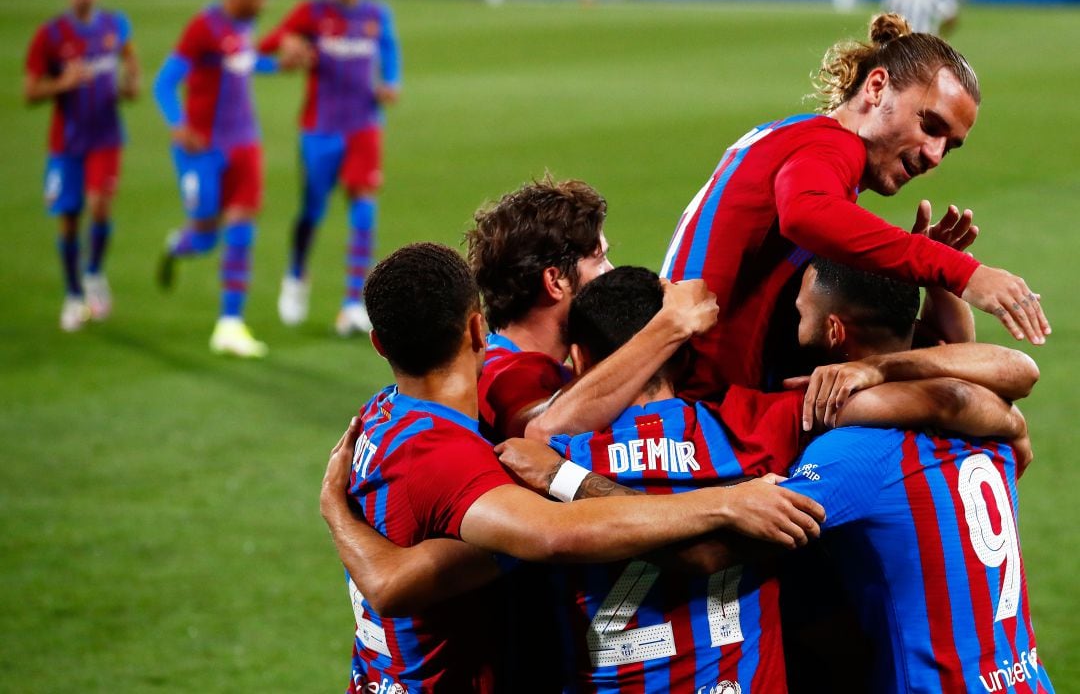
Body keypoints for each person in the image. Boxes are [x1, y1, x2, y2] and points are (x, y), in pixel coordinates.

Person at [493, 266, 1032, 692]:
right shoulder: (752, 424)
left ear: (581, 357)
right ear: (682, 356)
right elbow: (953, 395)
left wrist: (564, 479)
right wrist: (1009, 424)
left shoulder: (546, 460)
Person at [336, 242, 825, 693]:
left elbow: (393, 578)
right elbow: (549, 535)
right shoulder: (759, 425)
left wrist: (334, 510)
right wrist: (729, 500)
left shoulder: (380, 422)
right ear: (476, 328)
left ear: (380, 344)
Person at [661, 12, 1049, 397]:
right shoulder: (833, 144)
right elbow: (806, 213)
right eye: (930, 126)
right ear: (877, 87)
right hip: (701, 411)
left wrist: (929, 281)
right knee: (979, 411)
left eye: (949, 146)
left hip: (689, 390)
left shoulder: (797, 137)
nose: (934, 155)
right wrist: (961, 272)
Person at [778, 257, 1054, 693]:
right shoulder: (991, 427)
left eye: (800, 311)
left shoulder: (847, 455)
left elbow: (722, 557)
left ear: (834, 331)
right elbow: (976, 369)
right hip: (1028, 682)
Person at [467, 177, 717, 444]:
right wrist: (671, 325)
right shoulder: (503, 371)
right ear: (554, 281)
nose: (611, 272)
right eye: (599, 260)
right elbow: (539, 430)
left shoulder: (527, 364)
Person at [258, 0, 401, 336]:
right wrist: (284, 60)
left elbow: (389, 51)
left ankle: (354, 302)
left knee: (363, 209)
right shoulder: (311, 13)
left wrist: (391, 80)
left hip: (364, 126)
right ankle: (295, 274)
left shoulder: (375, 15)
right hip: (319, 129)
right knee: (312, 211)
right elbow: (259, 52)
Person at [153, 0, 275, 358]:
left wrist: (279, 63)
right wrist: (177, 122)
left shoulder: (244, 27)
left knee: (242, 223)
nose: (266, 1)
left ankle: (229, 323)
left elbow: (245, 61)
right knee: (205, 236)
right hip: (202, 148)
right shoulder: (203, 27)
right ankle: (178, 245)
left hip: (245, 142)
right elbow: (165, 82)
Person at [25, 0, 139, 331]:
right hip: (67, 142)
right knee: (70, 219)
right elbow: (30, 92)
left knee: (100, 205)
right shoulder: (51, 35)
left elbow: (130, 67)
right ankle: (73, 294)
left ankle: (93, 273)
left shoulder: (116, 25)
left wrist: (130, 84)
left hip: (107, 136)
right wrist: (62, 83)